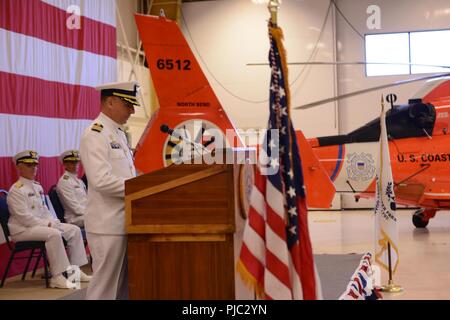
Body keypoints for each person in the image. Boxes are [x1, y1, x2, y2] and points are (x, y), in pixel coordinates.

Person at [80, 81, 138, 300]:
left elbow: (125, 174)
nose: (132, 111)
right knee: (104, 289)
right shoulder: (95, 134)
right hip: (106, 224)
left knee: (121, 289)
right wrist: (137, 186)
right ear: (111, 102)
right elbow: (100, 180)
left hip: (123, 221)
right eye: (128, 105)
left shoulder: (118, 134)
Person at [7, 150, 92, 289]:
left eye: (35, 165)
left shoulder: (37, 186)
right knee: (54, 234)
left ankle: (74, 273)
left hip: (39, 226)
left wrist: (52, 221)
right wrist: (48, 224)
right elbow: (24, 218)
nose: (34, 168)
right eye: (29, 165)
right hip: (22, 230)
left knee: (74, 230)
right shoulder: (16, 190)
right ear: (19, 167)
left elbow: (44, 210)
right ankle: (57, 277)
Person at [56, 150, 87, 227]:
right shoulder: (64, 182)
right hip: (74, 219)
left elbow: (86, 201)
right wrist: (91, 212)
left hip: (84, 215)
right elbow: (75, 208)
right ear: (65, 165)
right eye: (72, 162)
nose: (75, 165)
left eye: (76, 162)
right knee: (99, 218)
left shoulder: (79, 181)